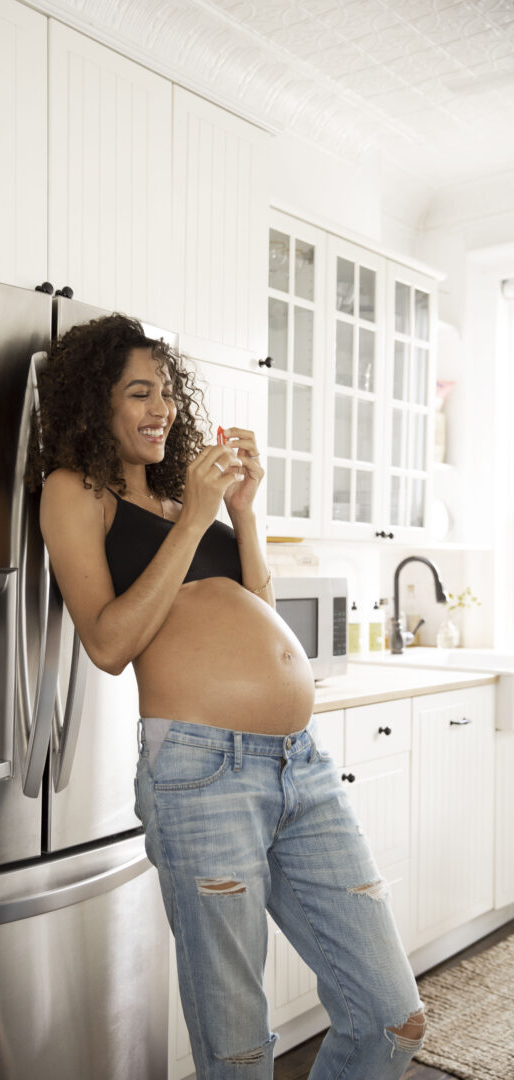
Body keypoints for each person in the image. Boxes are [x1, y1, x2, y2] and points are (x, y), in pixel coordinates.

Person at [34, 313, 426, 1079]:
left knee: (393, 1018)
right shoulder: (77, 493)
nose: (161, 409)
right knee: (240, 1051)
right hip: (201, 771)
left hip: (300, 767)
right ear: (95, 404)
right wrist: (196, 521)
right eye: (138, 393)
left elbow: (263, 610)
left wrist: (241, 514)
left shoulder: (193, 503)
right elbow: (109, 644)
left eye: (167, 394)